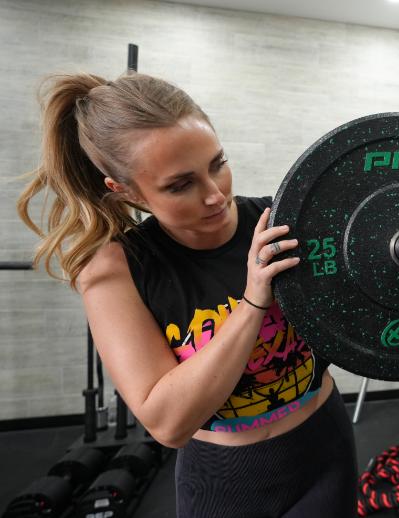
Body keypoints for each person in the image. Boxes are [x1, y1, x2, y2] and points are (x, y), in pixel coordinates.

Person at [17, 72, 358, 517]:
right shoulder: (115, 270)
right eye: (181, 185)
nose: (215, 195)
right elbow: (168, 422)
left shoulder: (284, 221)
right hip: (226, 477)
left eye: (218, 163)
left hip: (325, 445)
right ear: (125, 191)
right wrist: (254, 300)